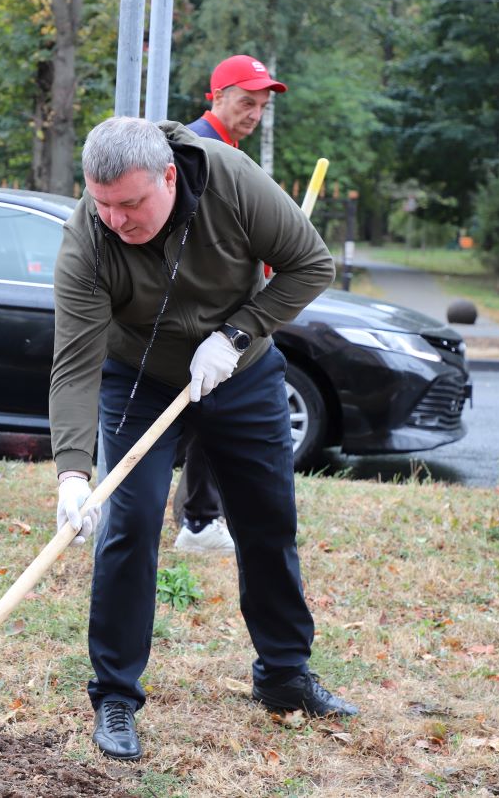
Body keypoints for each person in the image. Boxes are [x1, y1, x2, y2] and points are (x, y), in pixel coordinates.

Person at [50, 117, 357, 763]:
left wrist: (240, 333)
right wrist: (73, 474)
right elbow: (75, 362)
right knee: (128, 523)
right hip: (139, 376)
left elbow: (311, 263)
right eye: (102, 204)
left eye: (130, 204)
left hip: (238, 369)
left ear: (168, 176)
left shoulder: (234, 183)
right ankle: (115, 694)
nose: (116, 220)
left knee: (266, 516)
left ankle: (284, 674)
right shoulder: (88, 237)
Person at [173, 54, 289, 555]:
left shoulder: (231, 150)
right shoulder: (200, 148)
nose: (254, 113)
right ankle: (199, 520)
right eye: (246, 102)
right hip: (205, 313)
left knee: (208, 411)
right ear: (215, 96)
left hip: (225, 310)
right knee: (207, 413)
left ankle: (199, 518)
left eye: (261, 107)